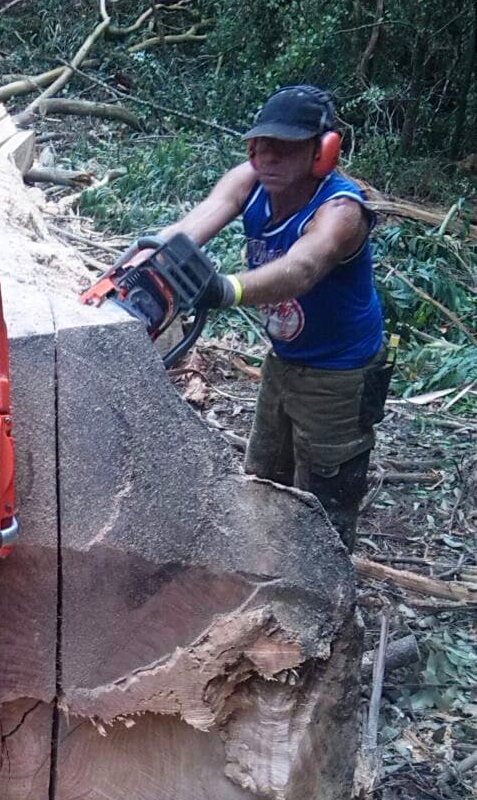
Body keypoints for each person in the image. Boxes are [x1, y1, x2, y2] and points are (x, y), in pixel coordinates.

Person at [154, 84, 388, 550]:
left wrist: (225, 288)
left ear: (322, 152)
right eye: (261, 144)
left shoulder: (341, 211)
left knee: (324, 503)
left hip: (339, 375)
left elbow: (303, 268)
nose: (268, 156)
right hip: (283, 360)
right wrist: (149, 261)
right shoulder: (249, 180)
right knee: (264, 477)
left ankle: (328, 596)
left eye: (284, 146)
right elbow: (193, 224)